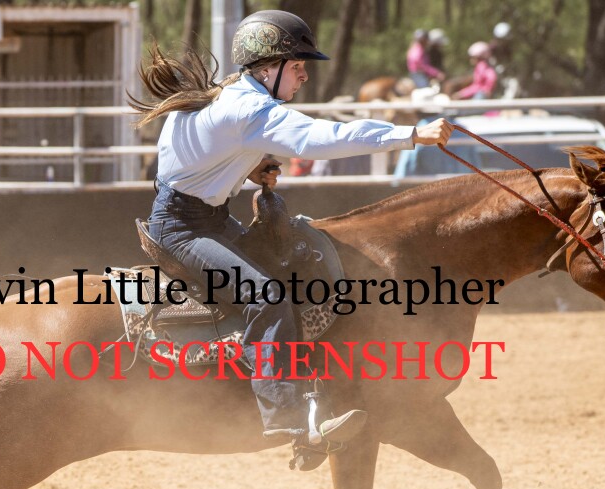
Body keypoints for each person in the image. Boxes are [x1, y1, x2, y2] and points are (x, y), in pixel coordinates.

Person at [129, 9, 453, 457]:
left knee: (291, 280)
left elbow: (189, 159)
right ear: (268, 68)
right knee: (266, 297)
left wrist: (249, 164)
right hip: (185, 229)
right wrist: (410, 134)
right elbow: (322, 138)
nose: (303, 76)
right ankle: (287, 417)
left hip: (199, 219)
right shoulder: (247, 108)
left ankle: (313, 393)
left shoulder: (224, 98)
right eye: (297, 66)